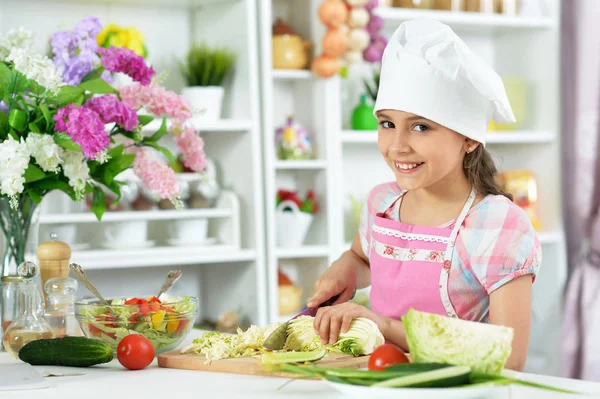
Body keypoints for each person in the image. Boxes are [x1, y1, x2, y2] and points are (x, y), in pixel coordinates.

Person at [307, 18, 541, 371]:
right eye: (387, 123)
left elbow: (509, 359)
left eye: (420, 127)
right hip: (378, 381)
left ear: (469, 138)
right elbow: (363, 257)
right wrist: (345, 269)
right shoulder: (382, 204)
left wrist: (384, 327)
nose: (397, 146)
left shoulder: (498, 226)